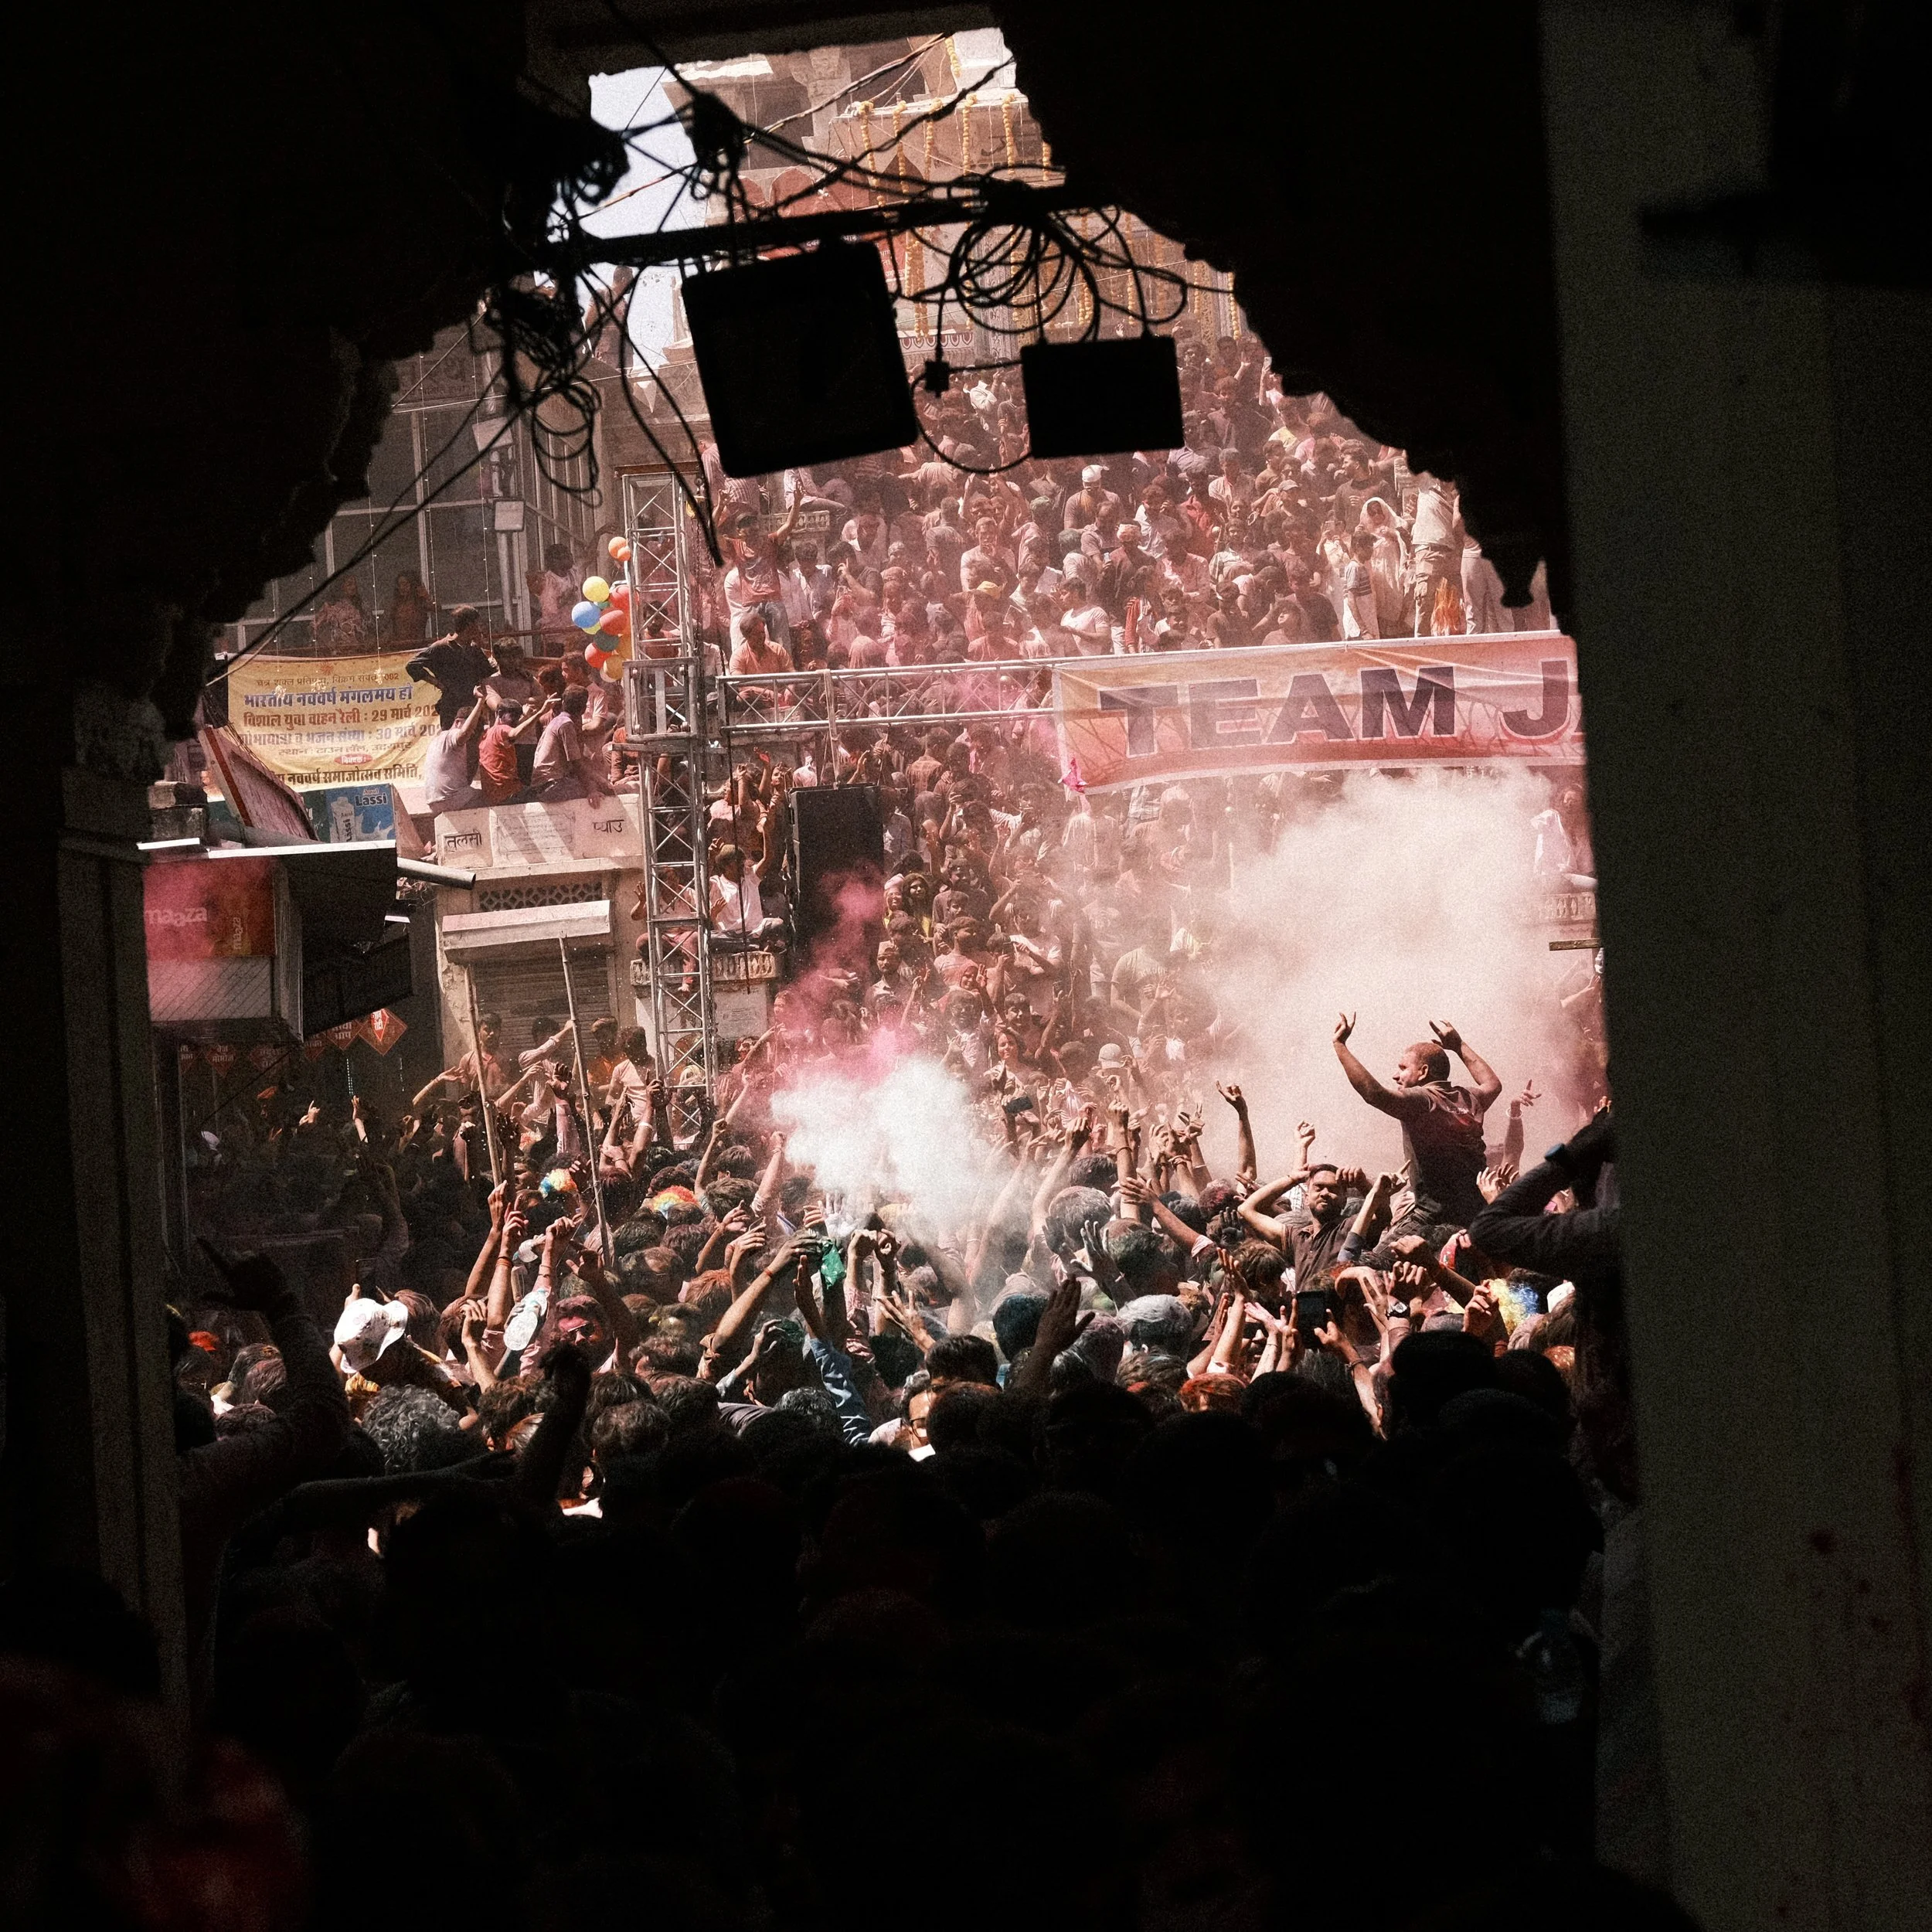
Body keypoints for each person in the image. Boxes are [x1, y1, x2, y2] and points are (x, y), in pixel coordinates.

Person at [1332, 1012, 1502, 1231]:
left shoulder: (1423, 1100)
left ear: (1423, 1072)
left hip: (1433, 1219)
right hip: (1477, 1214)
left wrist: (1340, 1045)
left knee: (1361, 1262)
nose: (1396, 1076)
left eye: (1403, 1068)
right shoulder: (1468, 1098)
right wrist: (1459, 1046)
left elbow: (1374, 1094)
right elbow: (1493, 1084)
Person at [406, 607, 494, 727]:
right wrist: (438, 684)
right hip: (451, 707)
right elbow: (412, 665)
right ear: (469, 625)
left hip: (473, 707)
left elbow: (488, 673)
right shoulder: (442, 647)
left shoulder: (474, 649)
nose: (479, 628)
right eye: (477, 624)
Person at [529, 687, 609, 804]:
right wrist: (592, 789)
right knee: (601, 790)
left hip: (545, 784)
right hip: (552, 786)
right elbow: (576, 763)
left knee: (596, 782)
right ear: (583, 709)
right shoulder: (566, 725)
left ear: (563, 703)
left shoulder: (558, 721)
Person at [421, 692, 488, 815]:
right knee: (497, 798)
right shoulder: (451, 736)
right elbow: (465, 733)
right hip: (452, 799)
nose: (473, 733)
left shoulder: (436, 741)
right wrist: (480, 701)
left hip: (433, 802)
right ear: (457, 722)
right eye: (472, 727)